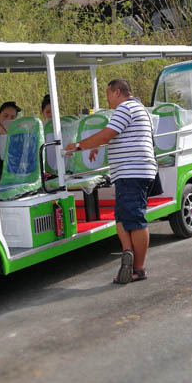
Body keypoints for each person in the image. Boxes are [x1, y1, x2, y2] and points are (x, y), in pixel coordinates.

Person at [65, 78, 157, 284]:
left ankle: (138, 268)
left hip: (132, 172)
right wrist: (98, 145)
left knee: (135, 219)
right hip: (130, 172)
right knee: (122, 219)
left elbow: (107, 134)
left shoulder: (125, 108)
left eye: (107, 94)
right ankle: (128, 254)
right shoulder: (137, 108)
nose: (107, 99)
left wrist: (79, 146)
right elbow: (114, 135)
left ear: (117, 92)